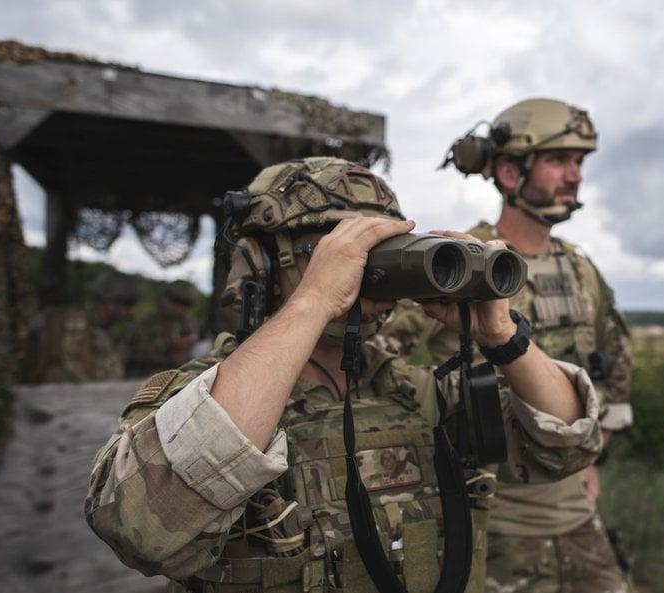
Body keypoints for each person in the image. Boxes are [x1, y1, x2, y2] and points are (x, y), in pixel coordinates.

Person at [84, 156, 603, 593]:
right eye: (327, 249)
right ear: (261, 263)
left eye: (372, 253)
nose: (355, 268)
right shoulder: (199, 398)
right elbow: (140, 531)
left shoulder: (416, 394)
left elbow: (565, 446)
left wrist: (501, 336)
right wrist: (314, 300)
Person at [383, 98, 633, 593]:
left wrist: (593, 455)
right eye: (559, 160)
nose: (575, 176)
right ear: (509, 171)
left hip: (575, 515)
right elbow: (377, 352)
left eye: (579, 162)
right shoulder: (460, 261)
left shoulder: (581, 267)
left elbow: (614, 363)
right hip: (489, 523)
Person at [28, 268, 140, 382]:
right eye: (128, 304)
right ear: (108, 301)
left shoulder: (105, 333)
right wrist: (116, 361)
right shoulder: (75, 326)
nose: (131, 311)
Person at [124, 279, 200, 378]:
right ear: (164, 298)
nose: (179, 308)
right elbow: (128, 354)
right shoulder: (143, 325)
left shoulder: (190, 326)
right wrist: (173, 348)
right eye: (175, 300)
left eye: (185, 303)